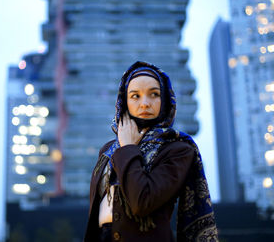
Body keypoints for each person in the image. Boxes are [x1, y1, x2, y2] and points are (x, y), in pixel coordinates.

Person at [84, 61, 218, 242]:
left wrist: (128, 148)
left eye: (154, 94)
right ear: (124, 102)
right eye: (135, 96)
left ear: (165, 101)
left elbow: (142, 202)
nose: (145, 103)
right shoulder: (108, 151)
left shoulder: (178, 149)